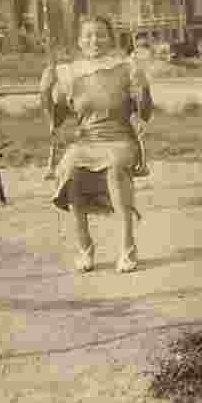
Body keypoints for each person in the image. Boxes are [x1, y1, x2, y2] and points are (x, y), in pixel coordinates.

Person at [47, 15, 153, 274]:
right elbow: (58, 118)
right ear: (80, 41)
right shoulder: (69, 73)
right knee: (69, 169)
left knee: (116, 168)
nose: (95, 40)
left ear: (111, 39)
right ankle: (85, 246)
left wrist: (143, 90)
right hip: (87, 140)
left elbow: (145, 111)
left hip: (120, 138)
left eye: (101, 35)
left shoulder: (127, 68)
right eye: (88, 36)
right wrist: (48, 90)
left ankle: (128, 247)